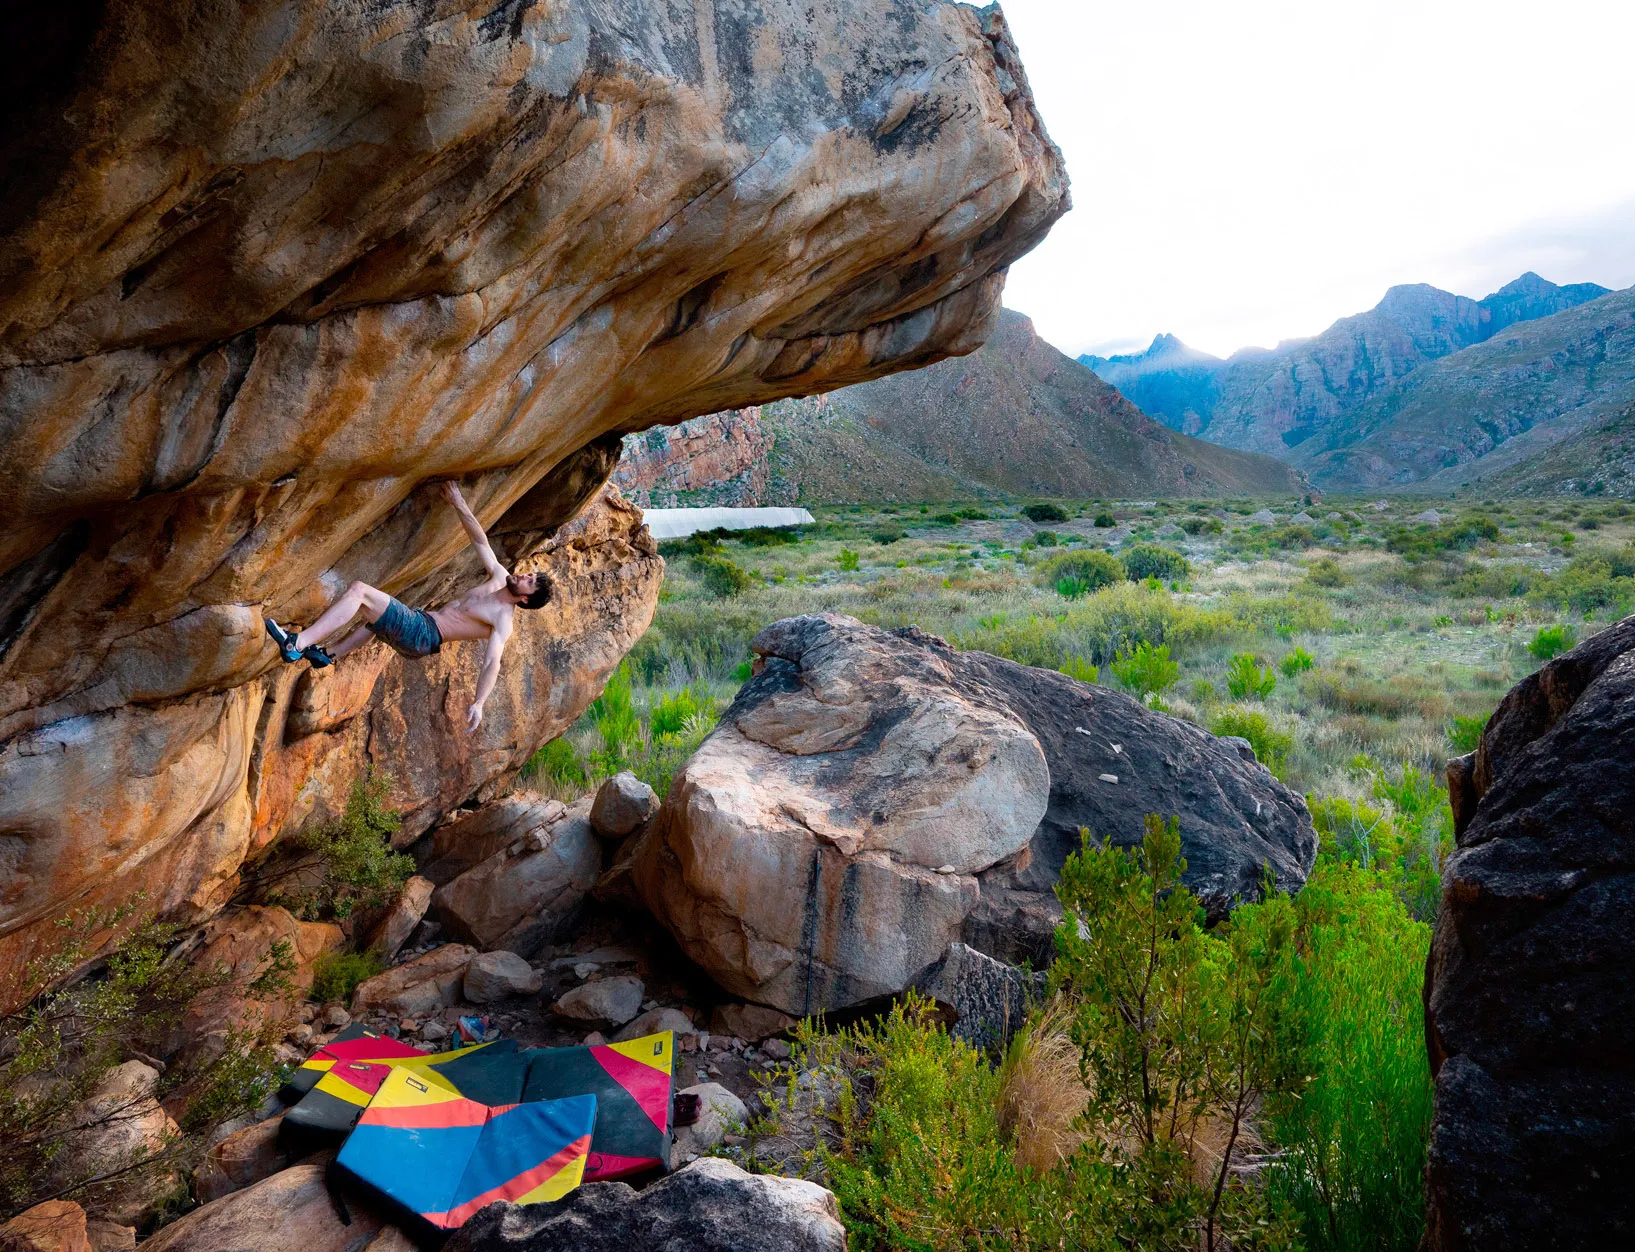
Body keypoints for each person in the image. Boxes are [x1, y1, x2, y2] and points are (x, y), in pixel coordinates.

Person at [264, 482, 551, 731]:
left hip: (424, 633)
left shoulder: (503, 619)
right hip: (420, 631)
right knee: (374, 620)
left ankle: (297, 643)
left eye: (530, 581)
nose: (525, 575)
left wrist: (479, 703)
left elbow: (492, 662)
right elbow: (480, 540)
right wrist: (458, 502)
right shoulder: (500, 576)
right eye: (529, 573)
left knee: (360, 592)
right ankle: (328, 654)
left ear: (525, 598)